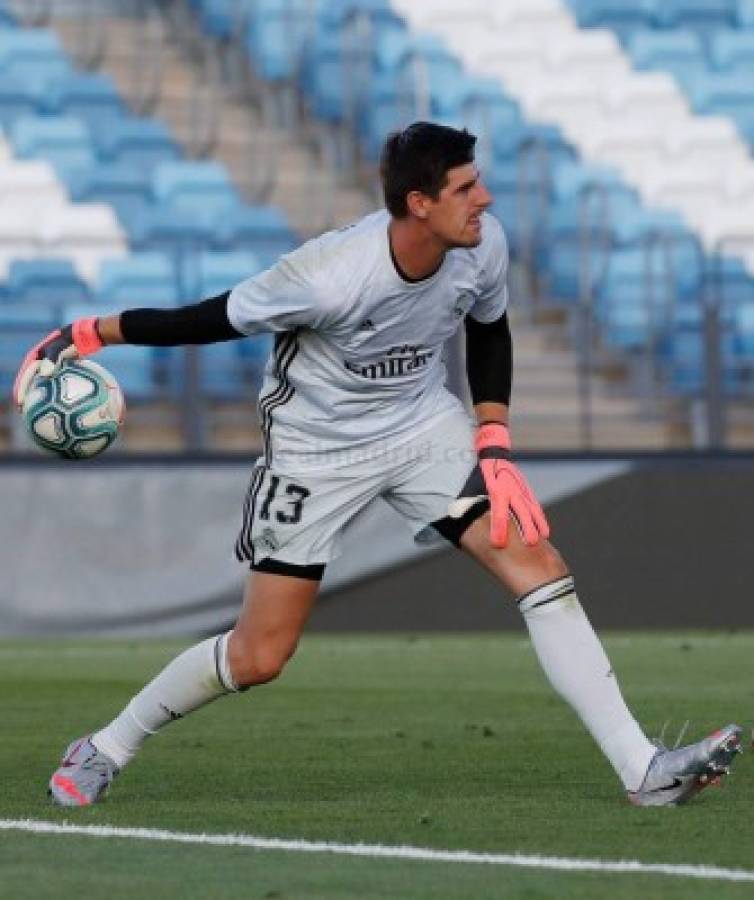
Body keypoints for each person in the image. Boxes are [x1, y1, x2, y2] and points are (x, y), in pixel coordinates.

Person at [14, 123, 741, 809]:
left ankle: (642, 769)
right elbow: (205, 318)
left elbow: (489, 328)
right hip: (314, 451)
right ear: (419, 204)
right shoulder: (328, 275)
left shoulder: (483, 244)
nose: (484, 198)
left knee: (536, 561)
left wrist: (492, 438)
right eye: (465, 188)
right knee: (261, 654)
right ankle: (106, 745)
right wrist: (90, 331)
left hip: (422, 429)